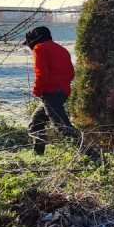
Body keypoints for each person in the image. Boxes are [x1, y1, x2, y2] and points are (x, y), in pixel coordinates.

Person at [24, 26, 82, 155]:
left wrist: (37, 91)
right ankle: (38, 156)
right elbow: (71, 74)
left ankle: (93, 155)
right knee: (35, 123)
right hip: (61, 93)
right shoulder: (62, 50)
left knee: (63, 127)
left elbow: (41, 74)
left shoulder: (40, 48)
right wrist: (61, 85)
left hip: (50, 94)